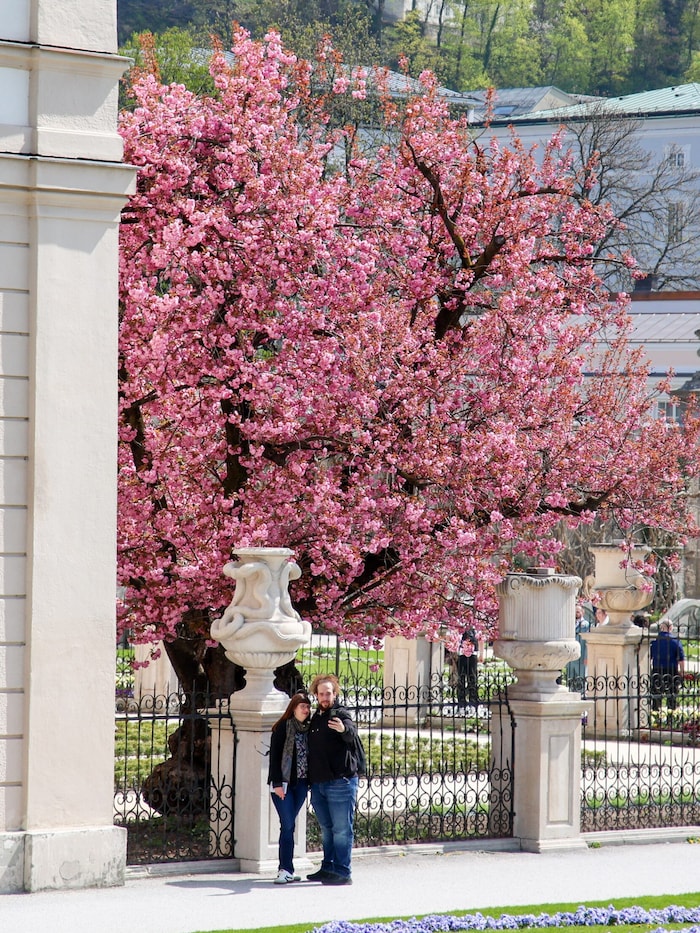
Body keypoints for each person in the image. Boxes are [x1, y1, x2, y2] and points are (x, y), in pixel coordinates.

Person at [306, 673, 359, 886]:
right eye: (321, 694)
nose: (325, 697)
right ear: (316, 695)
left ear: (335, 694)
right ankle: (328, 867)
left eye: (329, 693)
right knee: (327, 830)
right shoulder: (316, 717)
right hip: (319, 783)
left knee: (341, 829)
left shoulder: (340, 714)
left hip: (340, 781)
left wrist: (344, 729)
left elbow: (351, 732)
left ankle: (343, 871)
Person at [267, 692, 312, 884]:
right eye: (302, 706)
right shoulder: (282, 729)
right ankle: (284, 869)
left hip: (301, 784)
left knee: (289, 825)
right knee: (287, 825)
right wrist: (277, 784)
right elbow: (275, 758)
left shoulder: (308, 729)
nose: (306, 710)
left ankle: (288, 869)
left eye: (308, 706)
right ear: (293, 708)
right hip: (283, 785)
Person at [650, 620, 685, 710]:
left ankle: (656, 716)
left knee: (656, 695)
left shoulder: (654, 641)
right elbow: (681, 659)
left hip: (657, 670)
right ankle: (671, 717)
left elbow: (648, 657)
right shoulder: (675, 641)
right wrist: (682, 672)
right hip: (671, 670)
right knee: (671, 695)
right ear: (670, 628)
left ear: (661, 628)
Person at [456, 627, 484, 711]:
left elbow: (480, 639)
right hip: (461, 654)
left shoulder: (476, 626)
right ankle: (461, 702)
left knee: (472, 678)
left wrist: (481, 654)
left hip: (473, 654)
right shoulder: (459, 626)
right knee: (461, 678)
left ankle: (473, 700)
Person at [565, 604, 591, 696]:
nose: (576, 614)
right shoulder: (570, 624)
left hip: (581, 656)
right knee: (570, 679)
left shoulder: (586, 625)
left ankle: (581, 695)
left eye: (578, 612)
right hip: (571, 658)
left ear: (582, 612)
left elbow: (588, 642)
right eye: (575, 612)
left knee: (580, 679)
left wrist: (586, 657)